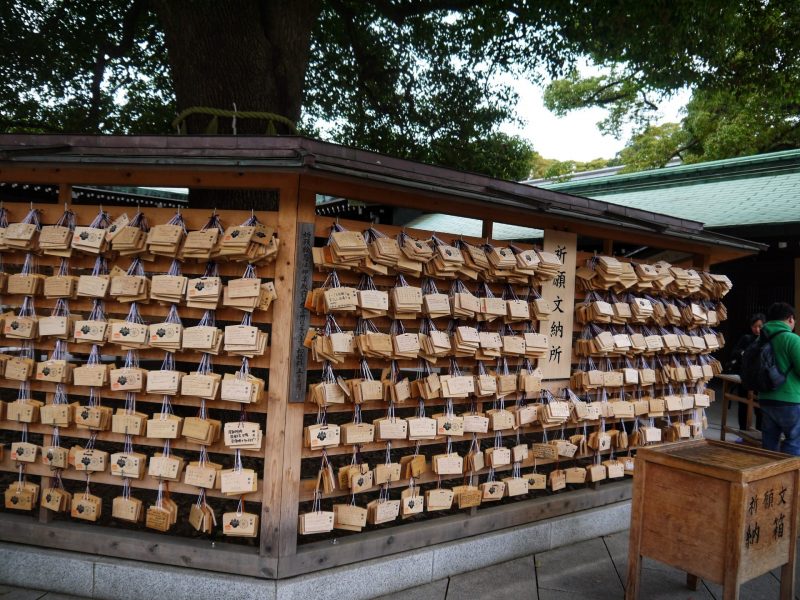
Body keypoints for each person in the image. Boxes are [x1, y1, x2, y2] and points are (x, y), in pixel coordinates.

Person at [758, 302, 800, 455]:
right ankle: (788, 478)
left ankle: (767, 478)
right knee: (794, 442)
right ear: (790, 319)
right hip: (790, 400)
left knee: (769, 445)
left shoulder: (760, 339)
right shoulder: (792, 339)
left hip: (765, 399)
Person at [727, 312, 765, 431]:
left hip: (760, 378)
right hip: (744, 376)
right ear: (751, 327)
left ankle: (759, 434)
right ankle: (743, 431)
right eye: (754, 326)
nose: (757, 329)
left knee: (759, 408)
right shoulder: (746, 338)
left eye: (760, 326)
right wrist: (744, 353)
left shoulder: (767, 341)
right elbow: (734, 353)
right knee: (743, 405)